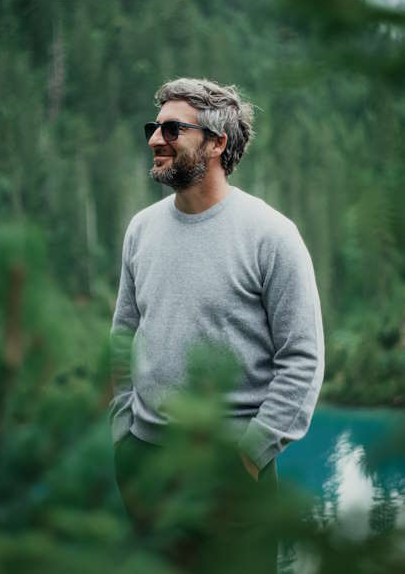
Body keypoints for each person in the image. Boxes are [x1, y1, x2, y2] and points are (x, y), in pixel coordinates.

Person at [109, 77, 324, 571]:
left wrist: (249, 457)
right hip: (147, 465)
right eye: (153, 126)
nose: (154, 138)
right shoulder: (141, 229)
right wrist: (124, 434)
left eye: (172, 128)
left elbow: (303, 359)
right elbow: (123, 335)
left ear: (217, 142)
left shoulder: (271, 235)